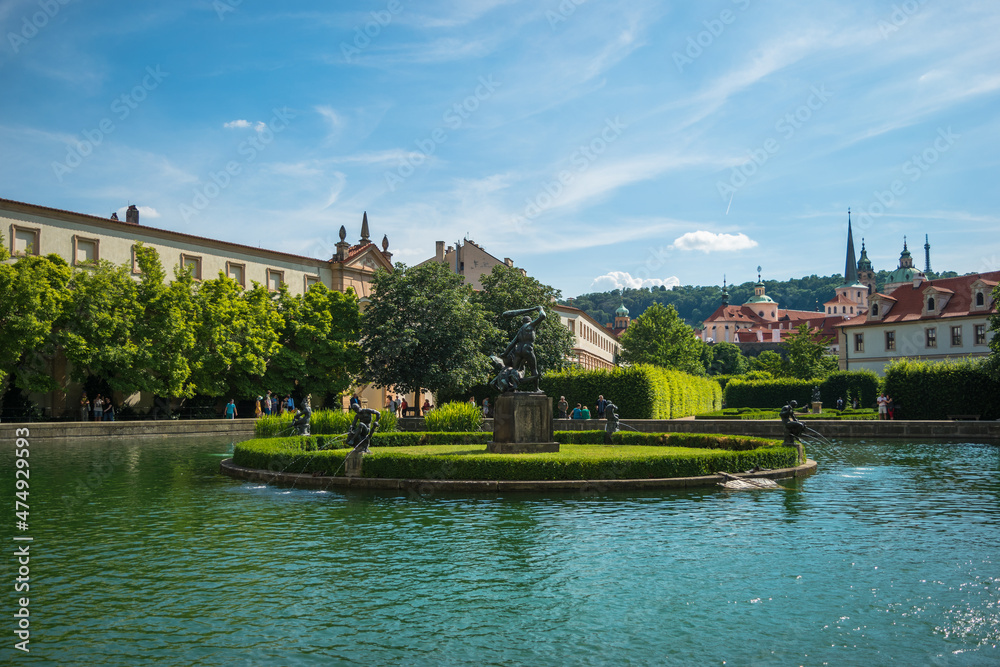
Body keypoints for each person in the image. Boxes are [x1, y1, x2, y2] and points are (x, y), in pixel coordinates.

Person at [494, 305, 547, 392]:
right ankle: (536, 388)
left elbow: (512, 344)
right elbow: (542, 316)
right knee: (533, 369)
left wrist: (505, 353)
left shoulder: (520, 331)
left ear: (522, 322)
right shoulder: (531, 325)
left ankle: (514, 385)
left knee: (515, 369)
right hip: (527, 348)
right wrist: (540, 309)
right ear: (530, 321)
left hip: (518, 350)